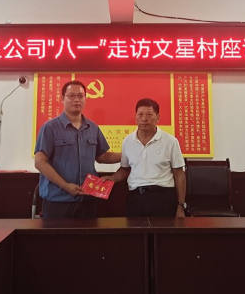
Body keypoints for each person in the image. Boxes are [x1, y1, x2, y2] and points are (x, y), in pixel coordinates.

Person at [34, 80, 121, 219]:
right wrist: (65, 186)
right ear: (62, 99)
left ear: (85, 99)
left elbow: (102, 156)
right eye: (71, 96)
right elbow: (40, 162)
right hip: (58, 201)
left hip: (88, 200)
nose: (76, 100)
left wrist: (128, 154)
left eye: (80, 96)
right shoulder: (50, 128)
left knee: (88, 234)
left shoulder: (93, 128)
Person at [102, 98, 186, 217]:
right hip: (136, 198)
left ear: (158, 117)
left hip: (163, 197)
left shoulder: (170, 141)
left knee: (162, 229)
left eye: (149, 114)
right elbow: (125, 169)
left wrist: (181, 206)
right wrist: (112, 178)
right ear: (135, 117)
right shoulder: (128, 141)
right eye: (140, 114)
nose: (144, 118)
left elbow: (179, 174)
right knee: (136, 229)